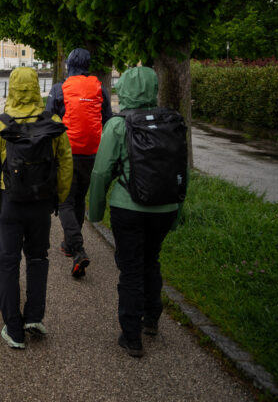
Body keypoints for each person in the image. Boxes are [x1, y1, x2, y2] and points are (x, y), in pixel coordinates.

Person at [88, 66, 184, 358]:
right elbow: (181, 170)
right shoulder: (173, 123)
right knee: (151, 260)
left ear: (124, 89)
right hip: (164, 207)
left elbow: (102, 172)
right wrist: (177, 210)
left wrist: (95, 210)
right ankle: (152, 318)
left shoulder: (118, 125)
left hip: (128, 205)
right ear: (153, 89)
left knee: (130, 268)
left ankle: (131, 336)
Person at [0, 67, 72, 348]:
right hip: (41, 202)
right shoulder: (53, 122)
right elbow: (65, 163)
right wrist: (57, 197)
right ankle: (33, 316)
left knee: (7, 262)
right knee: (37, 258)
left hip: (10, 201)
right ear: (35, 87)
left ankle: (13, 328)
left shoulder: (0, 123)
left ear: (11, 88)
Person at [45, 48, 113, 277]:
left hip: (67, 152)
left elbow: (48, 121)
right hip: (91, 154)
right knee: (78, 200)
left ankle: (77, 249)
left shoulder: (59, 89)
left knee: (64, 200)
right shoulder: (100, 89)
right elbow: (108, 120)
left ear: (69, 65)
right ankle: (68, 243)